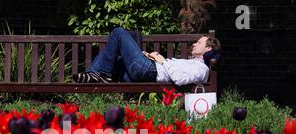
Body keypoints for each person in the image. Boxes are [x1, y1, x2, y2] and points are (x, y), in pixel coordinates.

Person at [73, 27, 221, 86]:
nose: (194, 44)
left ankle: (98, 74)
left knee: (118, 33)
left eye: (199, 42)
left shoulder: (202, 69)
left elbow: (180, 79)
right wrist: (152, 57)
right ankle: (98, 74)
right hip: (148, 68)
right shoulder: (195, 63)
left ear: (208, 48)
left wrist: (162, 61)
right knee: (113, 55)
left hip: (149, 71)